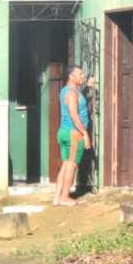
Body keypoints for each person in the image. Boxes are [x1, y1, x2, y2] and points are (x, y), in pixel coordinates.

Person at [53, 65, 91, 207]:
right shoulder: (72, 93)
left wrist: (87, 86)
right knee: (72, 165)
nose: (82, 76)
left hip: (64, 132)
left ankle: (57, 198)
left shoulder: (67, 90)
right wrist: (85, 133)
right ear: (71, 76)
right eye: (80, 74)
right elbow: (74, 115)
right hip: (73, 134)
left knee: (65, 165)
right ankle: (64, 197)